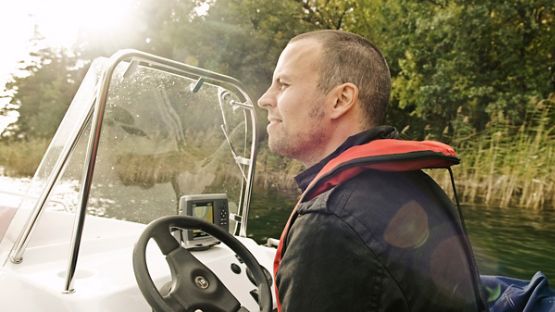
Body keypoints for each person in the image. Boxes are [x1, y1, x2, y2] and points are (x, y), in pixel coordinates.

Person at [257, 30, 486, 311]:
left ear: (340, 100)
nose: (265, 99)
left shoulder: (331, 223)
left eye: (283, 84)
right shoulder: (417, 186)